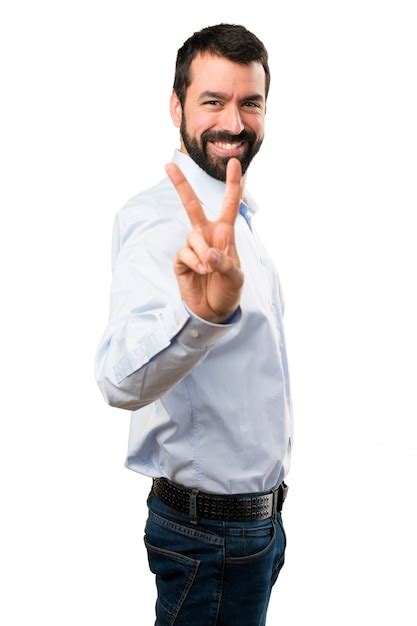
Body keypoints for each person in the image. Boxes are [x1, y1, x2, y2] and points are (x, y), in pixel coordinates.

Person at [95, 23, 294, 626]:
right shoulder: (160, 221)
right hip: (210, 539)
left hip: (253, 533)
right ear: (177, 105)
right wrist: (200, 313)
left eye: (249, 102)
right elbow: (118, 381)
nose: (233, 122)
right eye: (213, 101)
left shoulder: (237, 218)